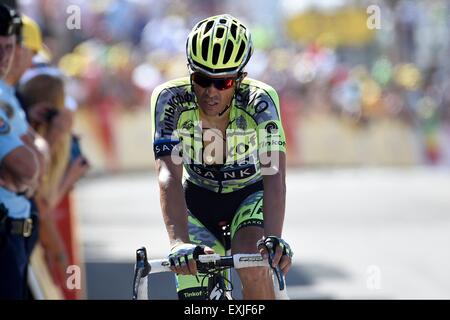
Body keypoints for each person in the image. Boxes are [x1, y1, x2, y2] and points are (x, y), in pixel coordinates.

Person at [150, 14, 293, 300]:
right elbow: (168, 174)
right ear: (190, 72)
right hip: (198, 199)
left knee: (253, 261)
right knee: (198, 294)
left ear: (240, 79)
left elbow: (274, 174)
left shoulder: (260, 101)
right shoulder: (169, 99)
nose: (210, 92)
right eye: (202, 79)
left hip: (248, 196)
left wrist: (273, 238)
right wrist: (178, 243)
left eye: (223, 83)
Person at [0, 3, 40, 299]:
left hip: (16, 232)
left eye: (10, 47)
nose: (5, 57)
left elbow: (35, 165)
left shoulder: (7, 95)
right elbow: (28, 167)